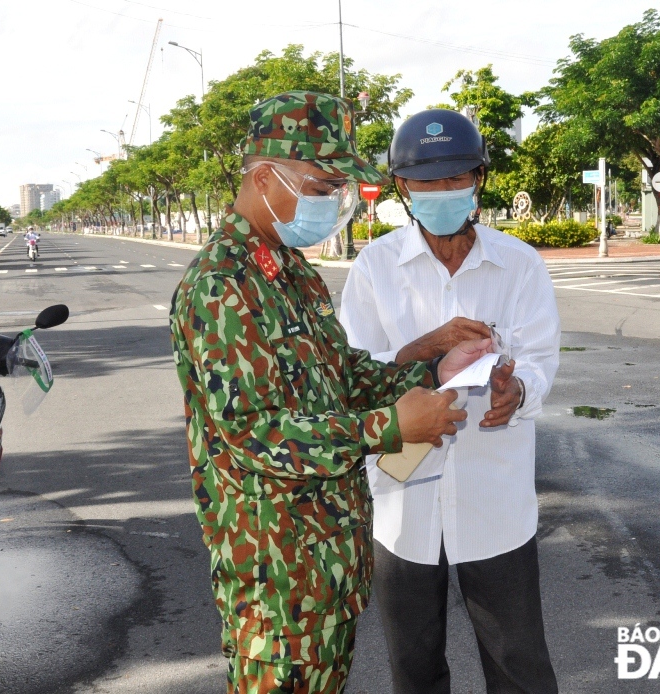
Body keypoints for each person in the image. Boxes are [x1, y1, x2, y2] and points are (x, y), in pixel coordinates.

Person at [169, 91, 492, 694]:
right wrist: (390, 429)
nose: (332, 203)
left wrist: (432, 370)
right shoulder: (221, 286)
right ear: (265, 177)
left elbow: (340, 376)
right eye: (321, 188)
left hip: (326, 565)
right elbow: (253, 435)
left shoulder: (289, 272)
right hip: (276, 582)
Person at [340, 108, 561, 694]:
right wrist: (428, 349)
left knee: (521, 667)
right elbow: (352, 374)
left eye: (455, 178)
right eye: (426, 182)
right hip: (402, 506)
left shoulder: (519, 264)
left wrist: (517, 391)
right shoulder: (374, 268)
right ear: (402, 189)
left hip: (496, 500)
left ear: (479, 179)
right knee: (415, 671)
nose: (442, 192)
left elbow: (540, 358)